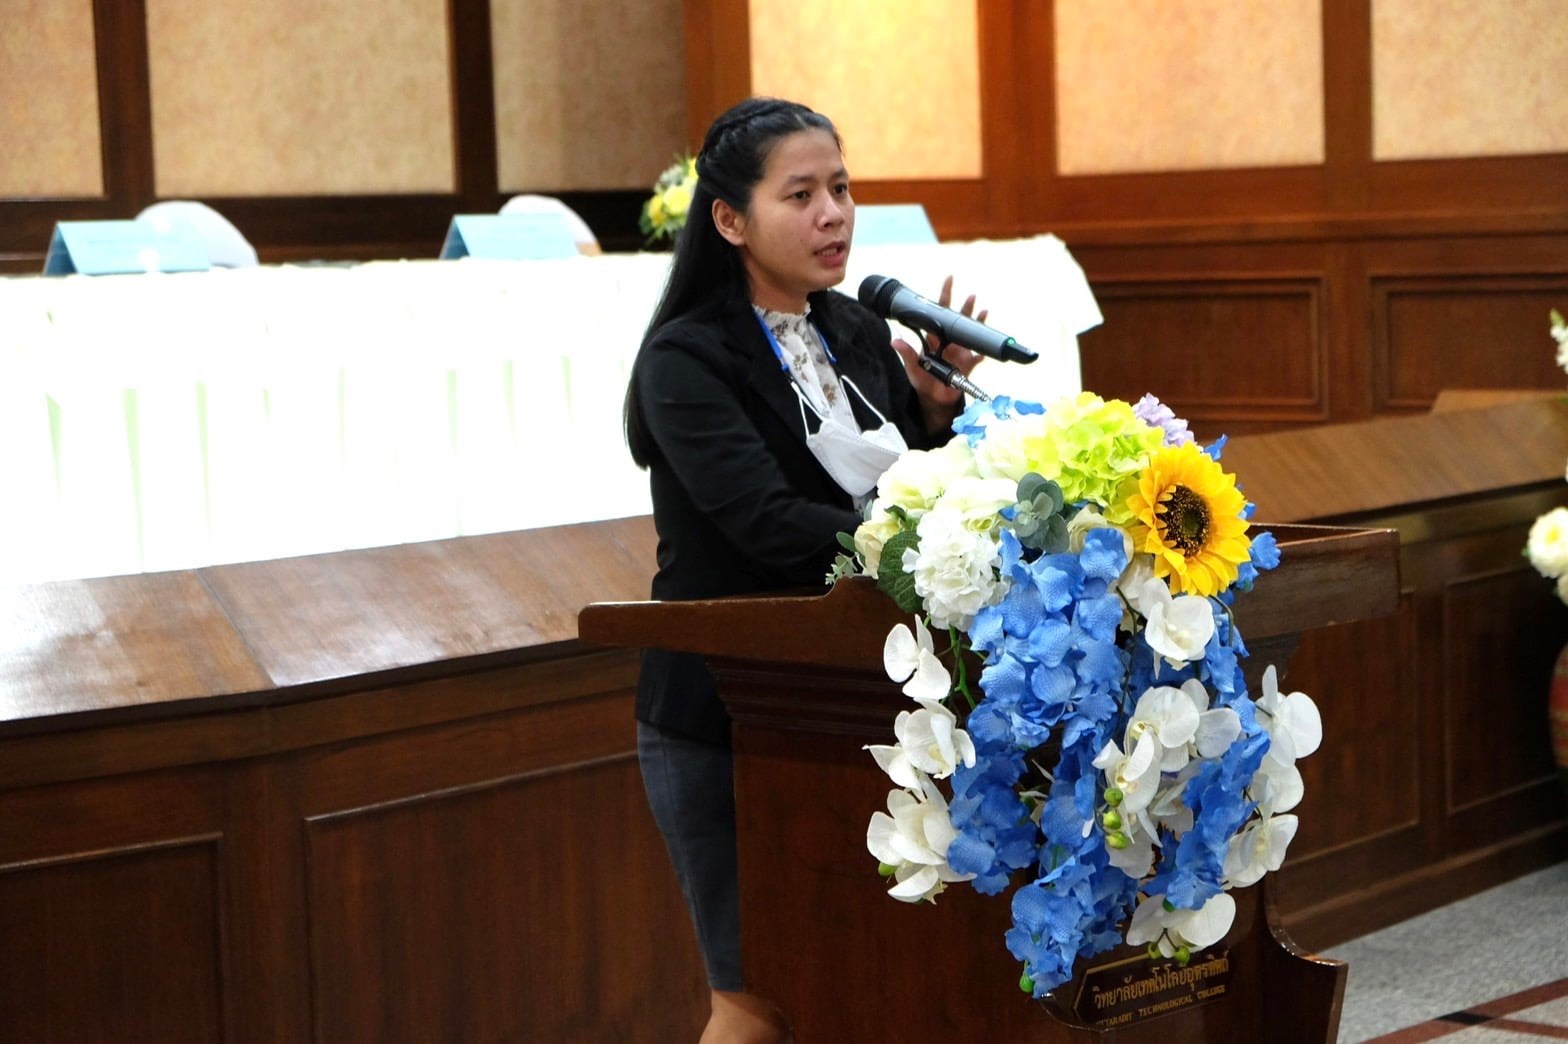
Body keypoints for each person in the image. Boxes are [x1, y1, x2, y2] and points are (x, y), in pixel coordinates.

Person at [622, 96, 983, 1043]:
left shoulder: (856, 334)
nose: (834, 213)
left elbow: (904, 490)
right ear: (730, 220)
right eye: (803, 195)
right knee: (755, 1001)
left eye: (842, 187)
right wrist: (912, 546)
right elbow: (768, 525)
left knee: (860, 979)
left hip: (856, 703)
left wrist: (933, 420)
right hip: (729, 714)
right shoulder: (685, 359)